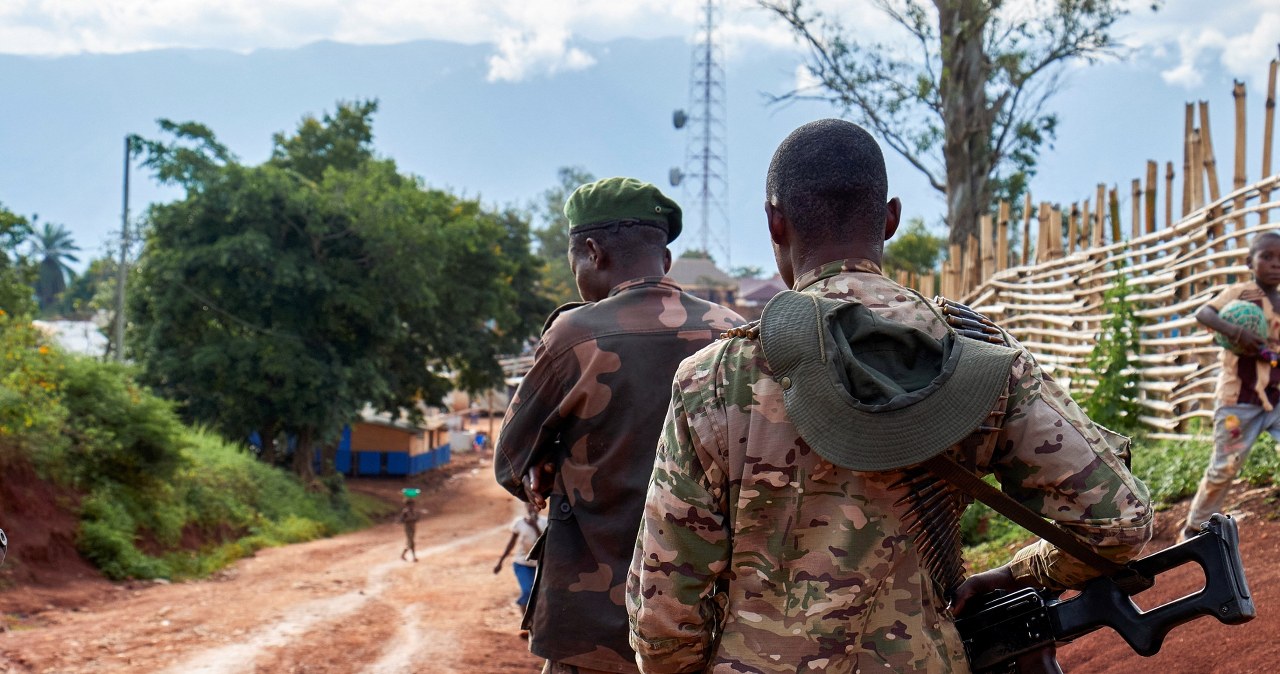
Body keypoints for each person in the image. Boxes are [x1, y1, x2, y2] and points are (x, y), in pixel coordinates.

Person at [625, 119, 1153, 674]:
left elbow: (664, 614)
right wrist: (1017, 573)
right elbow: (1116, 525)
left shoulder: (710, 380)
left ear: (774, 222)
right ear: (892, 217)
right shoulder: (977, 356)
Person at [494, 176, 745, 674]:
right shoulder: (730, 332)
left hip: (592, 629)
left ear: (591, 251)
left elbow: (509, 460)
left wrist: (544, 467)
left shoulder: (574, 335)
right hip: (705, 622)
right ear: (666, 260)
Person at [1181, 231, 1280, 540]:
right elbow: (1204, 313)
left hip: (1277, 399)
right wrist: (1235, 333)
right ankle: (1193, 530)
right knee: (1224, 468)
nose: (1275, 264)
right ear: (1249, 262)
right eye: (1267, 257)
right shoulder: (1241, 293)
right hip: (1239, 401)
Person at [494, 501, 549, 636]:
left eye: (534, 505)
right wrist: (501, 561)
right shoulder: (519, 523)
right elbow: (511, 543)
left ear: (539, 507)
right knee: (527, 590)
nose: (531, 507)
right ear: (525, 507)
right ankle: (527, 625)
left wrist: (534, 525)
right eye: (529, 505)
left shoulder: (545, 522)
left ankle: (537, 624)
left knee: (540, 595)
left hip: (540, 565)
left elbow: (544, 541)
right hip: (521, 563)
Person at [398, 497, 421, 562]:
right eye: (411, 504)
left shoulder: (414, 511)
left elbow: (417, 519)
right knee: (411, 543)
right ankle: (413, 557)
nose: (413, 506)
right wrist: (409, 519)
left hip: (413, 527)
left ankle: (404, 555)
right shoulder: (405, 512)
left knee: (410, 543)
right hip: (408, 528)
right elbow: (401, 520)